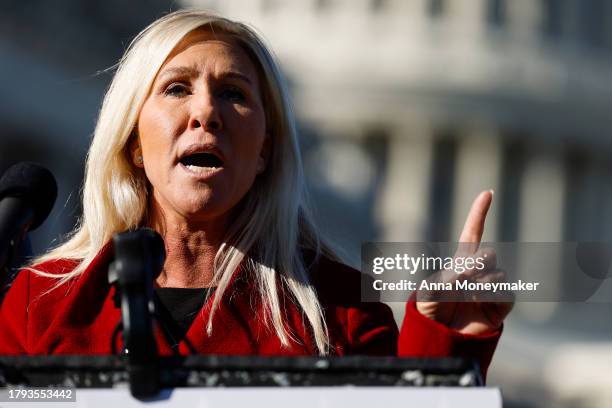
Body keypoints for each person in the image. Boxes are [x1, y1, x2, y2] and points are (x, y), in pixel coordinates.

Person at [0, 10, 511, 379]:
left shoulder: (342, 312)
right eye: (177, 88)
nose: (207, 113)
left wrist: (446, 344)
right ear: (134, 141)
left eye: (234, 94)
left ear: (266, 150)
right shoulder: (41, 303)